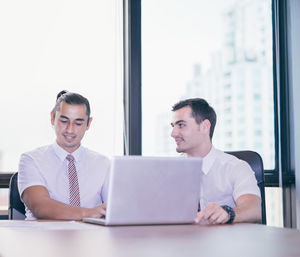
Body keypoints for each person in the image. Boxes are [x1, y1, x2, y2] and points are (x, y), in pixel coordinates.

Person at [18, 90, 109, 220]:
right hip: (43, 238)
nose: (70, 129)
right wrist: (88, 213)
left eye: (78, 123)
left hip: (90, 237)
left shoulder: (103, 163)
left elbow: (114, 208)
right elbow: (40, 207)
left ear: (88, 124)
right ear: (52, 118)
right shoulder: (31, 160)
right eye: (64, 121)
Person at [170, 98, 261, 225]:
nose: (173, 133)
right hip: (179, 241)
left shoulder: (235, 167)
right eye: (173, 126)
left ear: (204, 126)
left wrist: (228, 213)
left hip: (224, 242)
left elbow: (254, 210)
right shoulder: (169, 171)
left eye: (181, 125)